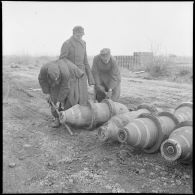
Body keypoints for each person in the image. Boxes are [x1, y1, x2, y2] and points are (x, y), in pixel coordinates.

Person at [38, 58, 84, 128]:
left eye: (57, 79)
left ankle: (68, 118)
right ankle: (56, 118)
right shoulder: (44, 69)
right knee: (53, 98)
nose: (56, 82)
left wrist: (59, 101)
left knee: (70, 98)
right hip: (59, 76)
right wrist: (47, 92)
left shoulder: (65, 72)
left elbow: (65, 87)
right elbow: (42, 80)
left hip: (71, 75)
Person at [59, 25, 95, 105]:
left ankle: (80, 116)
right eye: (78, 35)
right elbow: (62, 60)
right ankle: (65, 114)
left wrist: (90, 77)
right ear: (74, 33)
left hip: (82, 75)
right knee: (71, 97)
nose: (80, 37)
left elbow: (85, 61)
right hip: (71, 74)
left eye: (81, 35)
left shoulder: (83, 43)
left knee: (82, 97)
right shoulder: (67, 43)